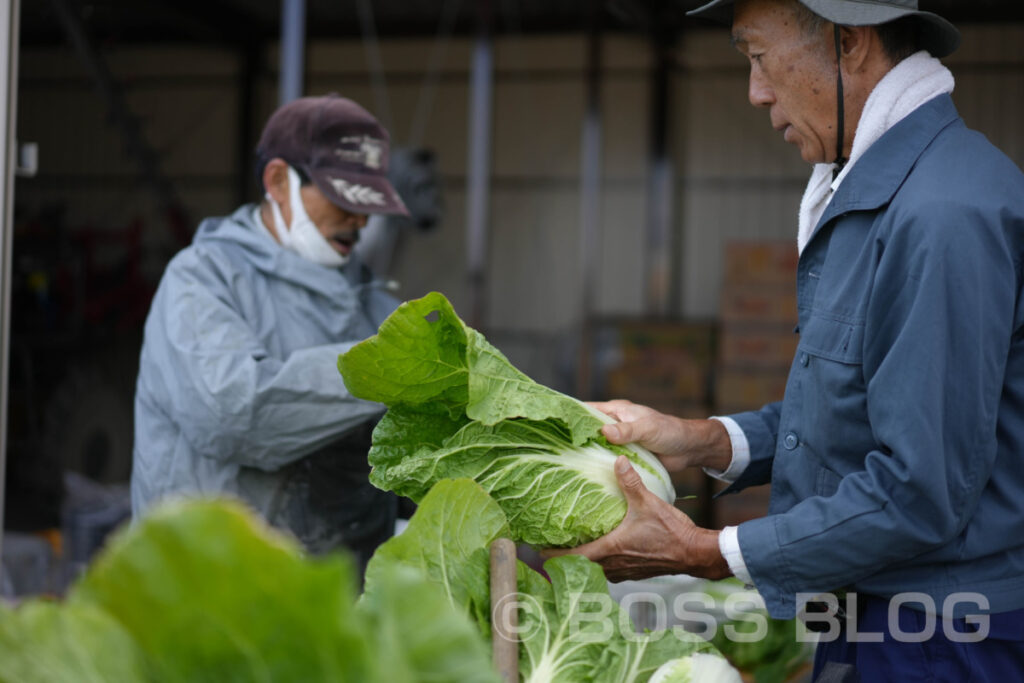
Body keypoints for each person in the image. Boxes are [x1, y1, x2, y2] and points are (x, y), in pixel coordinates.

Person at [552, 0, 1024, 678]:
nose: (755, 91)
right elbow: (853, 416)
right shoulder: (883, 193)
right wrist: (694, 437)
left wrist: (706, 549)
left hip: (943, 632)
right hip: (882, 609)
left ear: (851, 43)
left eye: (757, 55)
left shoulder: (942, 213)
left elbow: (918, 491)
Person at [131, 94, 410, 571]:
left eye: (368, 206)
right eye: (343, 199)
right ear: (278, 181)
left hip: (344, 600)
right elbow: (234, 413)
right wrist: (392, 366)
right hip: (216, 591)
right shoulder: (201, 278)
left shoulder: (378, 305)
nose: (360, 221)